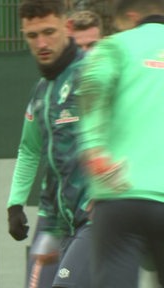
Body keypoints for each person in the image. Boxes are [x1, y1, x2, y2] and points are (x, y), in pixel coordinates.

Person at [76, 0, 164, 287]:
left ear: (131, 16)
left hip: (118, 194)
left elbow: (91, 84)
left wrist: (94, 149)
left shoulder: (115, 45)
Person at [6, 0, 92, 287]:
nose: (41, 43)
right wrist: (15, 203)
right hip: (54, 219)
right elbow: (29, 149)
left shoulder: (94, 74)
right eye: (32, 36)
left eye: (49, 32)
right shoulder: (41, 91)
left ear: (67, 27)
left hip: (94, 216)